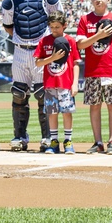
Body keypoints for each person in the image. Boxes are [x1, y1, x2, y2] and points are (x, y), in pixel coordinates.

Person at [1, 0, 61, 152]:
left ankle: (47, 137)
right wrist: (22, 40)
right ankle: (20, 137)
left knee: (43, 94)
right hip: (19, 50)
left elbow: (57, 21)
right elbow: (8, 26)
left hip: (41, 51)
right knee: (19, 94)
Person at [75, 0, 112, 154]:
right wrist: (99, 35)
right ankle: (98, 142)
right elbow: (81, 45)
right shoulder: (85, 20)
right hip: (92, 71)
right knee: (94, 106)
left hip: (111, 70)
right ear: (91, 0)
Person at [33, 9, 81, 154]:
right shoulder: (44, 41)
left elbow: (76, 63)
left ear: (64, 26)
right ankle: (53, 141)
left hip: (66, 84)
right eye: (52, 27)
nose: (54, 30)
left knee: (67, 112)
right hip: (49, 84)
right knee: (52, 113)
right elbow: (38, 63)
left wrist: (75, 84)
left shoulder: (70, 40)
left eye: (57, 27)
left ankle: (68, 141)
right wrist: (52, 58)